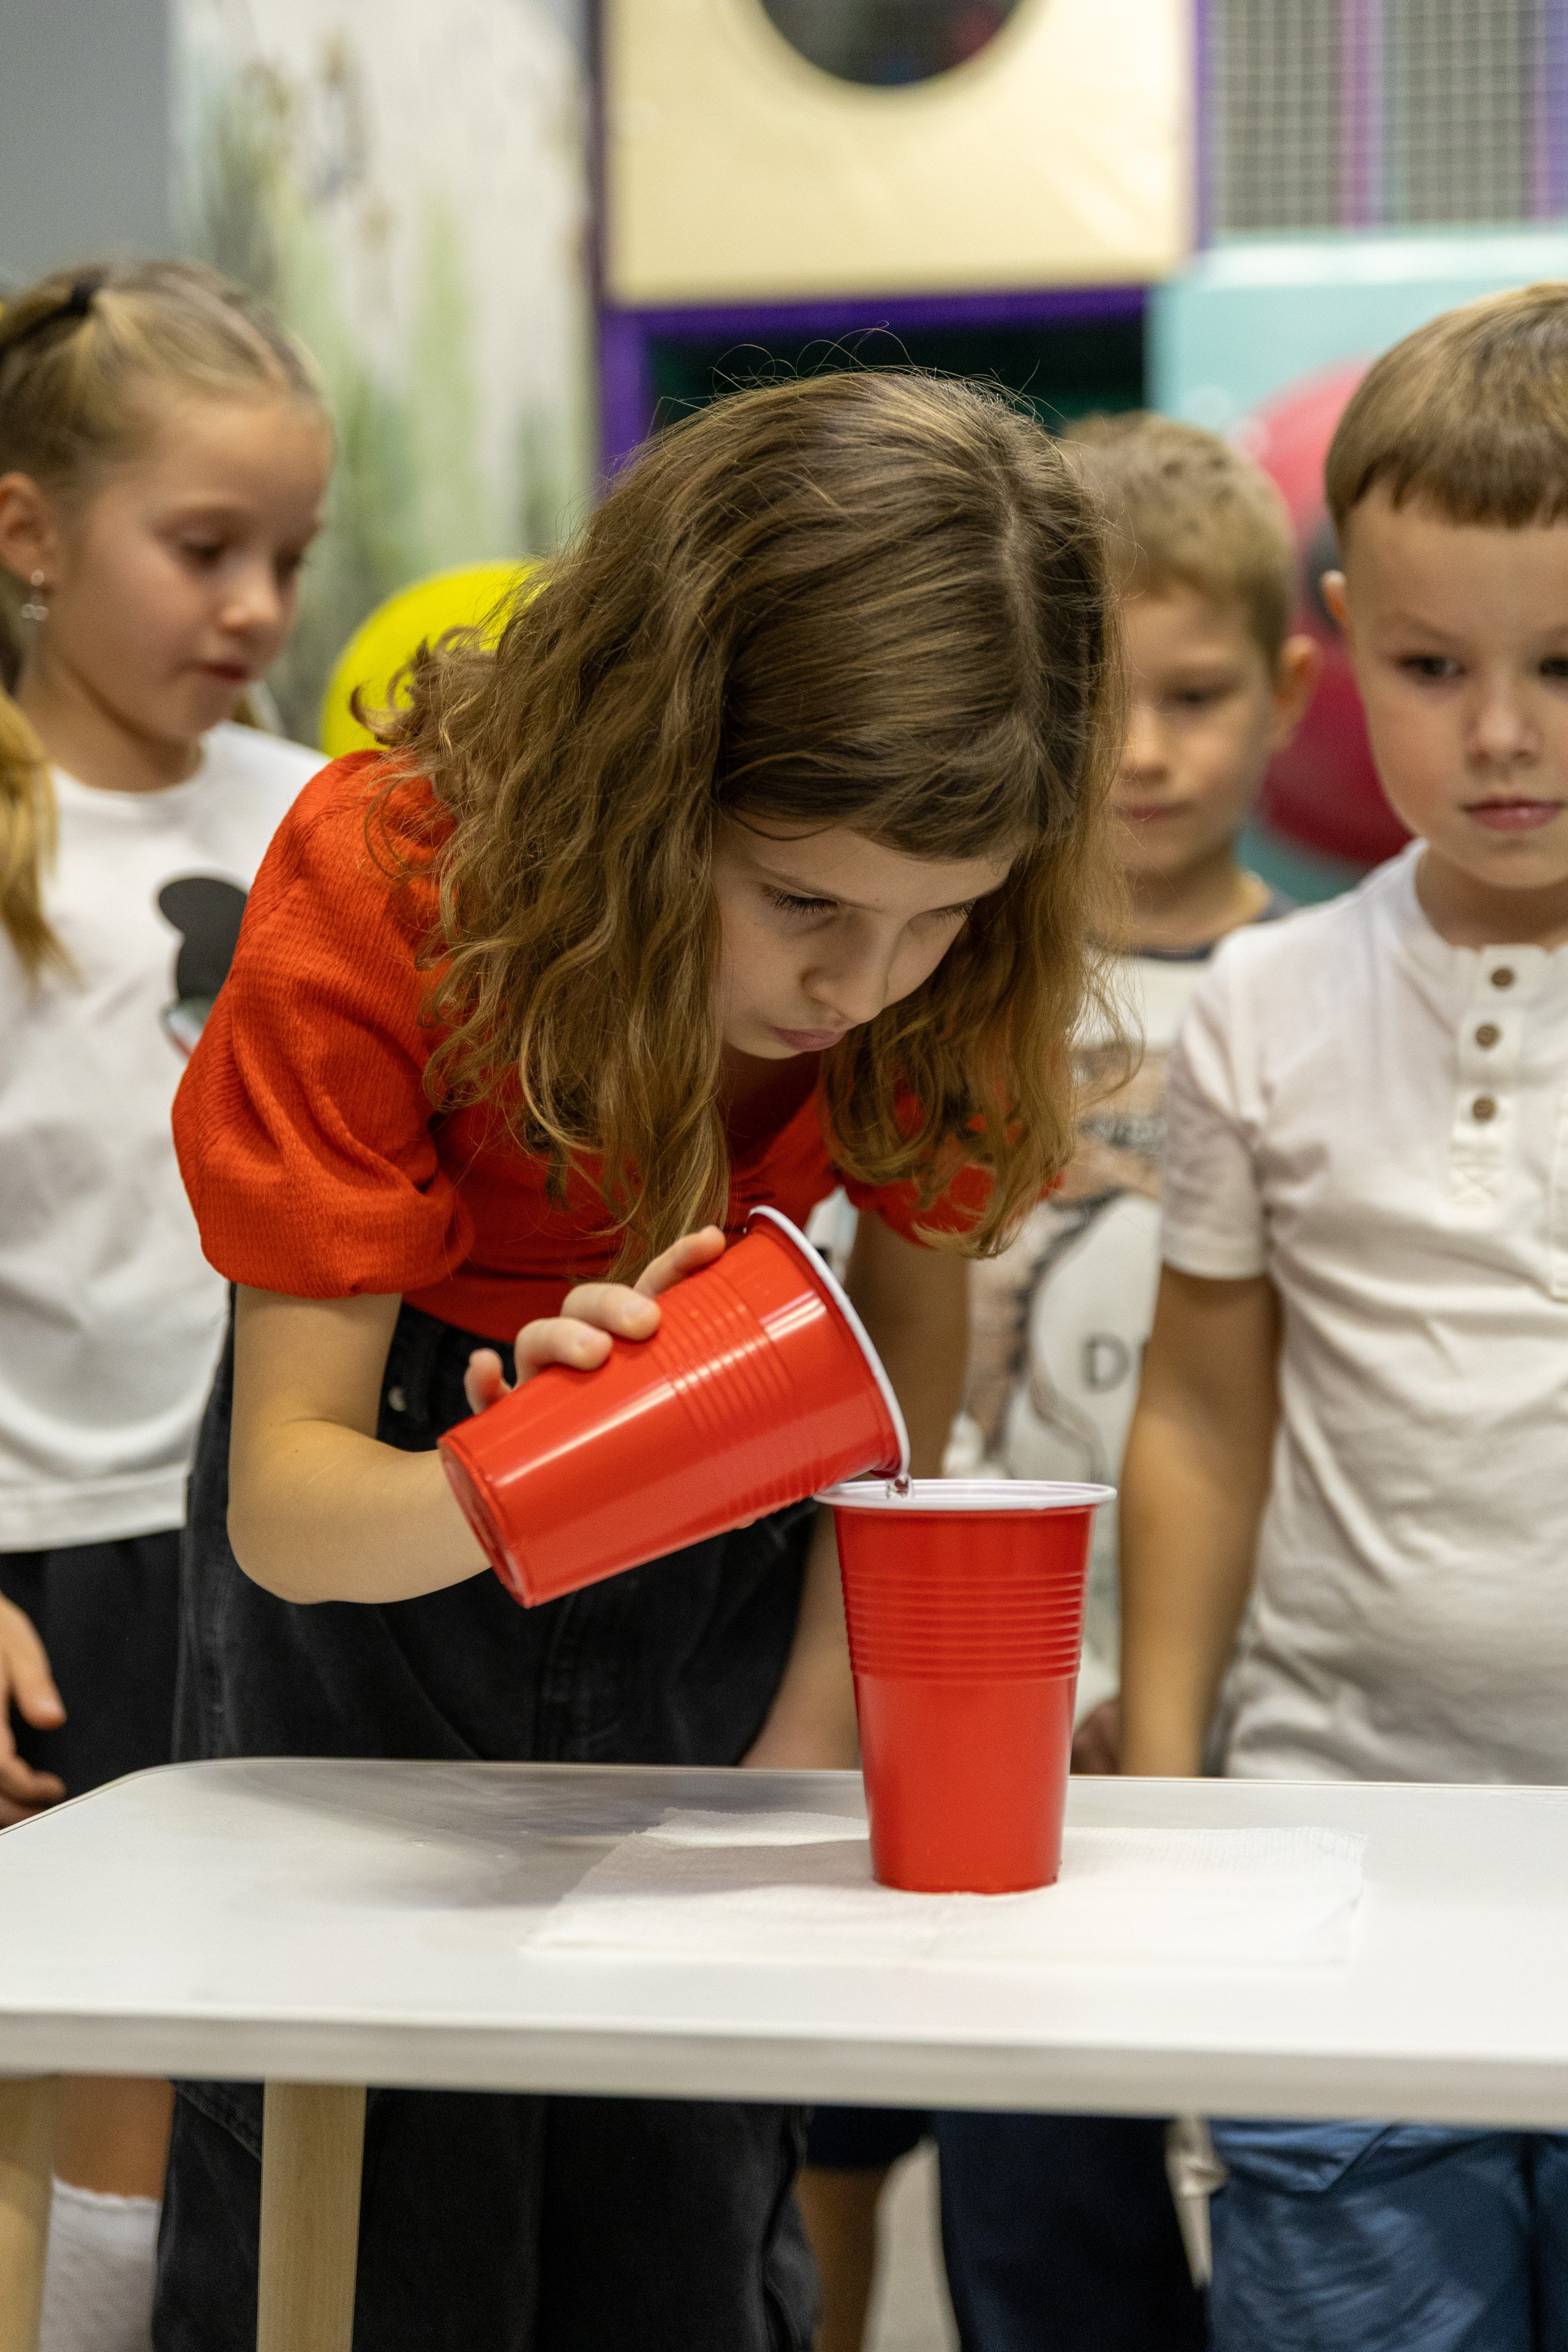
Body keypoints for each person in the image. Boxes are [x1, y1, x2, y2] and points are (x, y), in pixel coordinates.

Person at [159, 369, 1125, 2352]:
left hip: (732, 1507)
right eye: (802, 906)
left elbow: (912, 1311)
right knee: (365, 2204)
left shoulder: (931, 957)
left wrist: (812, 1718)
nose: (864, 989)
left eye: (943, 919)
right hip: (380, 1514)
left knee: (680, 2208)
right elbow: (292, 1506)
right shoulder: (385, 883)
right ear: (644, 770)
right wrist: (509, 1480)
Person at [1120, 282, 1568, 2350]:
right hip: (1335, 1865)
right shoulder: (1265, 1005)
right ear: (1339, 640)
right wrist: (1178, 1779)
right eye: (1430, 664)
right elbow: (1207, 1416)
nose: (1499, 732)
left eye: (1567, 667)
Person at [903, 415, 1314, 2352]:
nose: (1142, 753)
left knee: (1299, 2179)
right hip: (1001, 1680)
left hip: (1253, 1685)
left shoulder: (1313, 991)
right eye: (1102, 701)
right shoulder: (943, 977)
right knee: (1042, 2212)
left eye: (1197, 696)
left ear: (1285, 688)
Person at [0, 260, 330, 2350]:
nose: (258, 607)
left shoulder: (313, 819)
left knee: (212, 2092)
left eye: (288, 555)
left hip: (258, 1545)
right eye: (202, 548)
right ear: (28, 532)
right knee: (55, 2100)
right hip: (37, 1570)